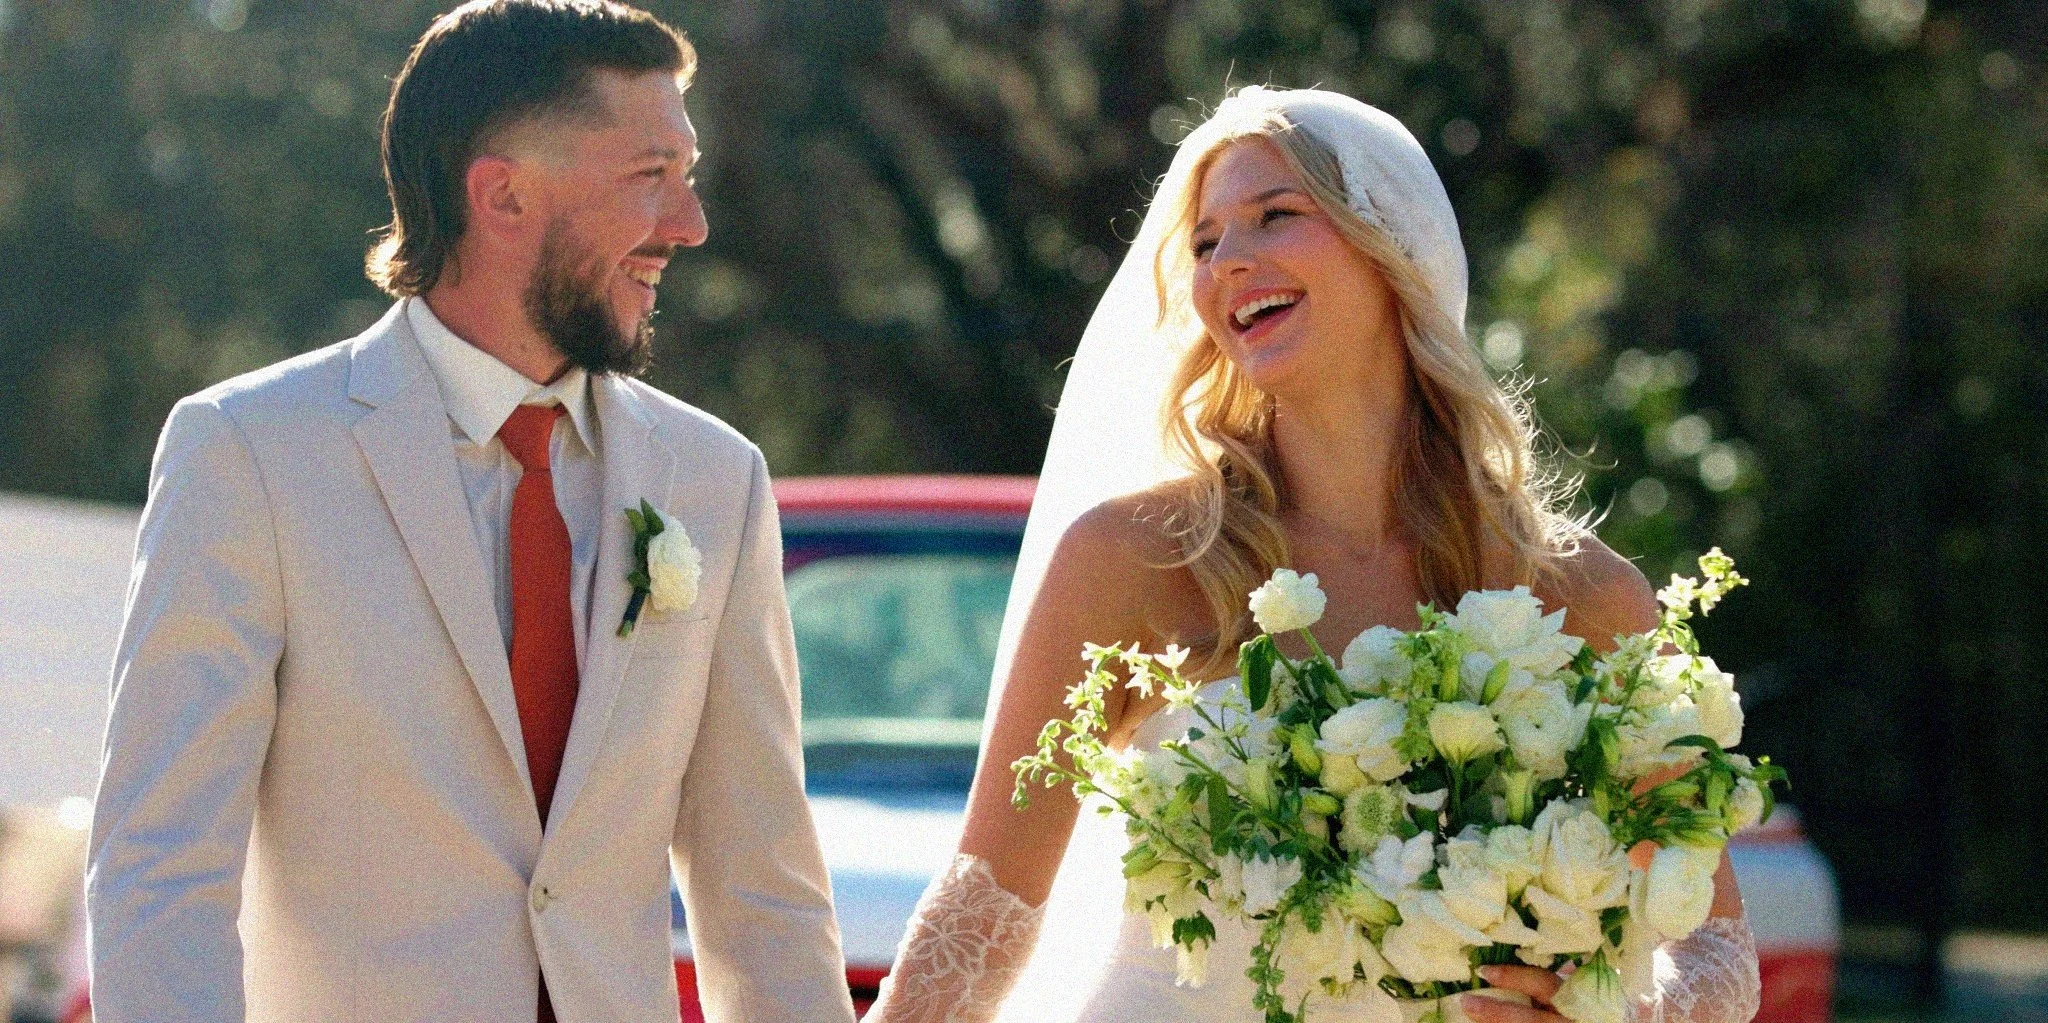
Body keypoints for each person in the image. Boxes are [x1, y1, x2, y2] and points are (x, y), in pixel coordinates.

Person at [863, 87, 1762, 1023]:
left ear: (1392, 251)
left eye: (1274, 216)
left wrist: (1600, 1017)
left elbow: (1718, 955)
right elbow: (983, 910)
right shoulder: (1132, 558)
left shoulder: (1578, 593)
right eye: (1205, 242)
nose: (1228, 262)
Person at [85, 3, 856, 1021]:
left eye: (688, 173)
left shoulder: (715, 478)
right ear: (501, 195)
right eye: (648, 176)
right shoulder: (249, 453)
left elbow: (762, 890)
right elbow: (160, 865)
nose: (688, 224)